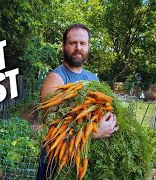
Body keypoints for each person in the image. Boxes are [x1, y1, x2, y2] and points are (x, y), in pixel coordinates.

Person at [37, 24, 119, 180]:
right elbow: (51, 129)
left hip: (83, 161)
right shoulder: (56, 78)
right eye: (73, 43)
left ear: (88, 46)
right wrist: (93, 133)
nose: (78, 47)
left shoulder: (93, 79)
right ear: (63, 46)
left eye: (82, 43)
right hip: (56, 163)